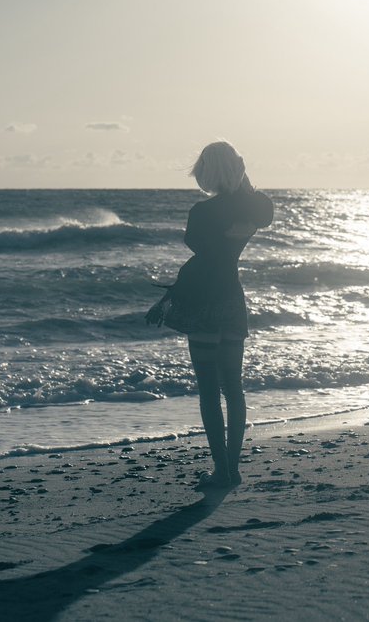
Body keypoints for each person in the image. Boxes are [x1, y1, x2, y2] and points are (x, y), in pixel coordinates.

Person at [146, 141, 273, 490]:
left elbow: (202, 259)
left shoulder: (201, 213)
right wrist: (243, 180)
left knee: (208, 390)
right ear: (236, 168)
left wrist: (169, 298)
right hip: (232, 298)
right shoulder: (254, 208)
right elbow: (262, 211)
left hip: (204, 302)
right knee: (233, 387)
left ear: (208, 171)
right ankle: (233, 469)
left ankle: (222, 471)